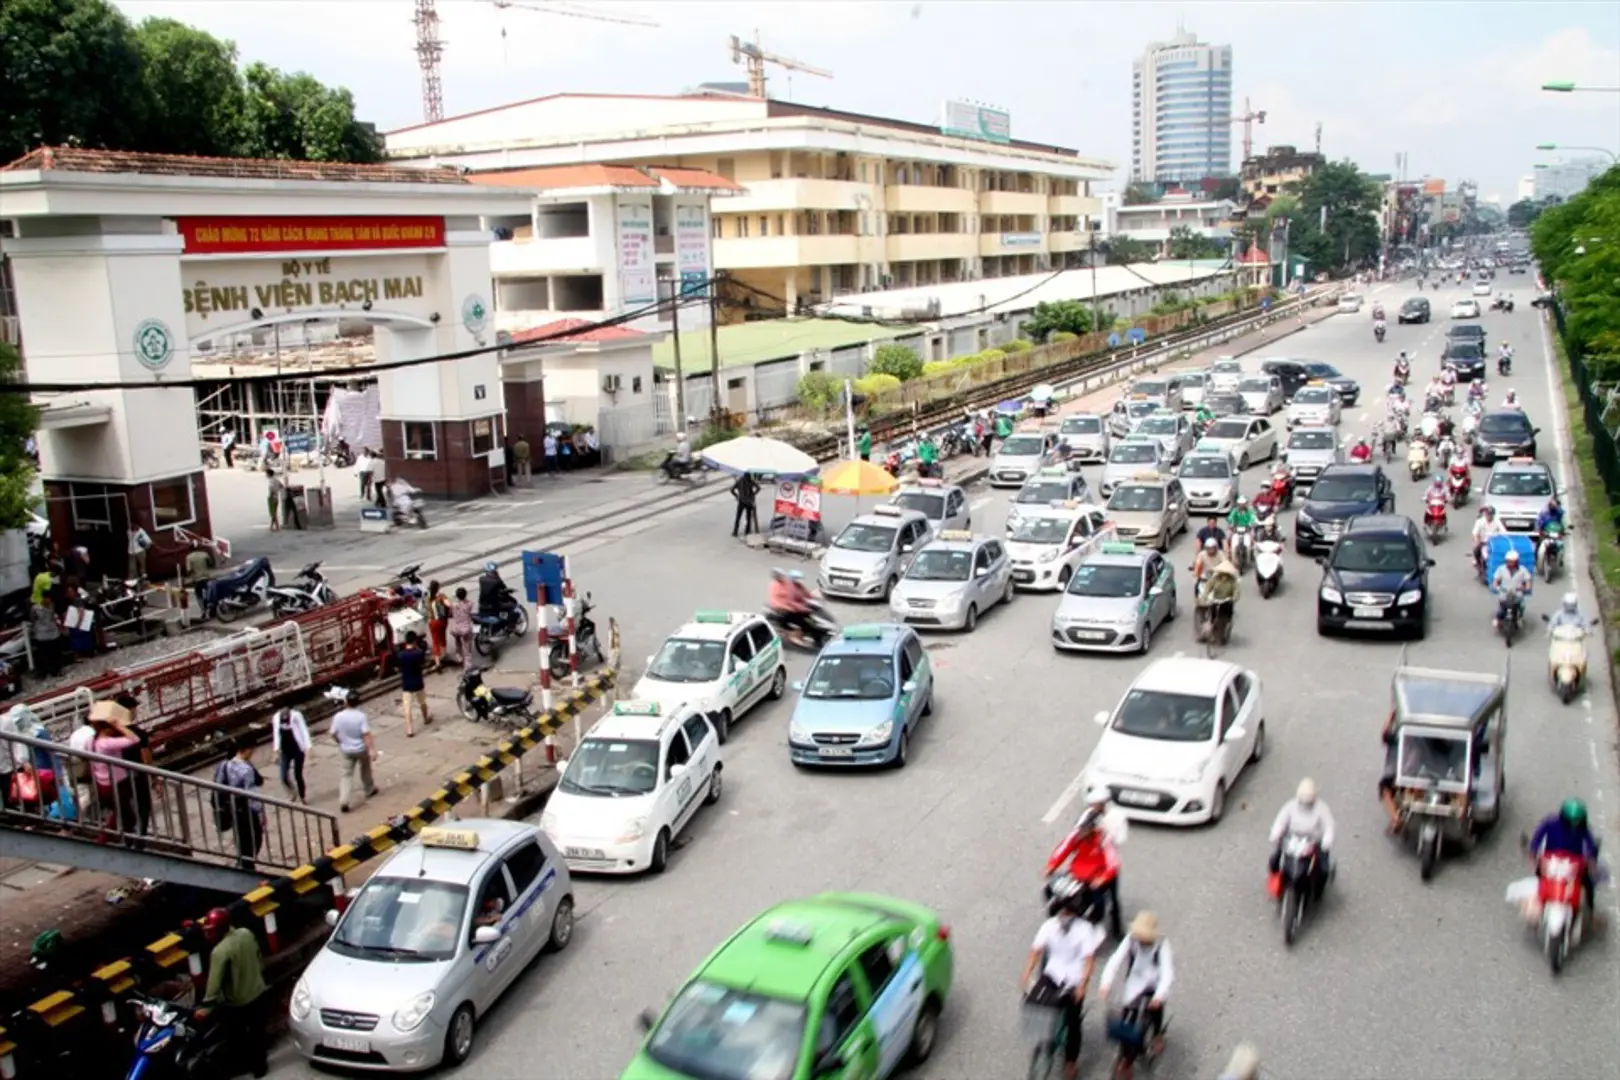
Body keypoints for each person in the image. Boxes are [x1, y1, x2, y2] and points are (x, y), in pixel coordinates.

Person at [1020, 894, 1106, 1080]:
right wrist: (1027, 973)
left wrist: (1083, 984)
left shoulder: (1084, 930)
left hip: (1074, 979)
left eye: (1067, 912)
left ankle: (1071, 1061)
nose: (1064, 915)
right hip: (1053, 974)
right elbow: (1036, 951)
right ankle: (1042, 1040)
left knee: (1073, 1020)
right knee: (1034, 1000)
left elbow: (1089, 960)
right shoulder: (1049, 926)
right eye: (1062, 911)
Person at [199, 907, 269, 1079]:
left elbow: (213, 984)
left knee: (236, 1037)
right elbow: (259, 957)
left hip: (237, 1002)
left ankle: (242, 1066)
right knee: (258, 1033)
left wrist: (205, 1007)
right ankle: (260, 1067)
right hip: (258, 991)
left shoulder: (220, 951)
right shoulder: (245, 933)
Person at [1044, 794, 1126, 939]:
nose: (1081, 832)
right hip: (1078, 873)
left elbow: (1113, 862)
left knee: (1106, 900)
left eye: (1085, 829)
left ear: (1093, 829)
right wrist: (1051, 865)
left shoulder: (1104, 840)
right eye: (1080, 829)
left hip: (1100, 874)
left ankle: (1115, 929)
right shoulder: (1076, 836)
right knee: (1051, 889)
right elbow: (1063, 849)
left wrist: (1103, 878)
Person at [1098, 912, 1174, 1060]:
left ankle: (1157, 1034)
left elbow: (1167, 973)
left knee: (1155, 1009)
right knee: (1127, 1019)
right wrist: (1105, 983)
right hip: (1135, 982)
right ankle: (1126, 1056)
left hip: (1155, 983)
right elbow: (1115, 960)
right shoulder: (1131, 940)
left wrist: (1159, 996)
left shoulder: (1162, 945)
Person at [1528, 798, 1601, 918]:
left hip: (1574, 862)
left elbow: (1590, 843)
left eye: (1577, 821)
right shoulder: (1550, 822)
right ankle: (1537, 908)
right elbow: (1537, 837)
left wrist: (1591, 856)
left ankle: (1591, 911)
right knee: (1539, 878)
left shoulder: (1583, 828)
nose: (1574, 824)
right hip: (1551, 860)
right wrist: (1533, 851)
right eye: (1571, 821)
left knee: (1588, 883)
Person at [1268, 778, 1336, 896]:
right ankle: (1277, 882)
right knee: (1274, 860)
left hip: (1313, 843)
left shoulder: (1321, 809)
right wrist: (1275, 834)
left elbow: (1329, 826)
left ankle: (1318, 891)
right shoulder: (1290, 806)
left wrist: (1326, 841)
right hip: (1291, 840)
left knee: (1323, 869)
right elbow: (1280, 821)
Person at [216, 739, 265, 870]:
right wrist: (260, 812)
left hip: (233, 808)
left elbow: (219, 787)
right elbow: (252, 792)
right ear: (246, 750)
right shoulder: (246, 769)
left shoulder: (224, 765)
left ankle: (243, 863)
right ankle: (247, 866)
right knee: (255, 839)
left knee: (242, 839)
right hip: (247, 809)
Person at [331, 691, 379, 814]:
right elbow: (366, 734)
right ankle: (369, 789)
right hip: (360, 749)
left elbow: (332, 733)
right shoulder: (361, 716)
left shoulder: (338, 716)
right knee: (365, 770)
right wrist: (372, 750)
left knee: (346, 775)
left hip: (346, 750)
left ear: (346, 702)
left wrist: (340, 742)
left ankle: (344, 800)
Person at [269, 705, 310, 804]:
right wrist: (275, 750)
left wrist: (308, 747)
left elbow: (303, 730)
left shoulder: (296, 716)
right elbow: (276, 734)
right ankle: (292, 792)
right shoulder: (276, 717)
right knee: (283, 776)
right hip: (285, 750)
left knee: (298, 774)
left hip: (297, 748)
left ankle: (302, 795)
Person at [395, 631, 431, 737]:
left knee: (407, 707)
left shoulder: (401, 655)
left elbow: (398, 668)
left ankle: (409, 729)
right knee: (422, 702)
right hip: (418, 682)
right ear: (415, 641)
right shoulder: (419, 653)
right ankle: (425, 718)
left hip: (406, 683)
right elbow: (423, 664)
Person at [1491, 548, 1533, 630]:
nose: (1510, 563)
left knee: (1522, 606)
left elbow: (1528, 580)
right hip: (1504, 594)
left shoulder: (1523, 570)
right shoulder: (1501, 569)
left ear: (1516, 561)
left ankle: (1519, 618)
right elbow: (1496, 580)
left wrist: (1526, 587)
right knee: (1502, 609)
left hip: (1517, 594)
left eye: (1512, 561)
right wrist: (1497, 587)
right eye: (1508, 561)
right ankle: (1497, 618)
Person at [767, 569, 813, 637]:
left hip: (795, 607)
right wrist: (788, 607)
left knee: (810, 618)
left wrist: (812, 597)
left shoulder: (789, 583)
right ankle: (797, 637)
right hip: (785, 610)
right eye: (781, 576)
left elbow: (804, 593)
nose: (783, 577)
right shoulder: (775, 586)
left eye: (783, 576)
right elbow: (775, 601)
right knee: (803, 623)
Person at [425, 581, 450, 670]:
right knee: (443, 637)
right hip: (442, 621)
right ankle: (444, 654)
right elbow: (448, 604)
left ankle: (437, 662)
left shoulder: (428, 597)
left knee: (435, 641)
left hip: (433, 622)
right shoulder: (441, 596)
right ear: (438, 588)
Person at [1472, 505, 1506, 569]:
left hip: (1494, 542)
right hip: (1482, 542)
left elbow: (1503, 532)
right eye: (1488, 514)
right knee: (1476, 550)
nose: (1489, 516)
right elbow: (1475, 533)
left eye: (1491, 514)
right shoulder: (1480, 521)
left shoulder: (1497, 522)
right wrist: (1477, 541)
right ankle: (1478, 563)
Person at [449, 586, 476, 665]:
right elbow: (472, 614)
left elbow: (450, 614)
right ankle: (468, 667)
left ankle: (459, 655)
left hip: (455, 628)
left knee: (457, 641)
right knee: (467, 651)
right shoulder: (469, 604)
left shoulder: (453, 605)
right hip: (465, 629)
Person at [731, 471, 761, 538]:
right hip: (749, 502)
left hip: (741, 501)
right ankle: (747, 531)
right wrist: (753, 494)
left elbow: (732, 490)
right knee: (748, 517)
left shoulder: (739, 481)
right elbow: (759, 488)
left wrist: (736, 495)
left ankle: (735, 532)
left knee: (738, 517)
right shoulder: (750, 481)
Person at [127, 516, 152, 582]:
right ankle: (132, 580)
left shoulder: (140, 531)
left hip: (140, 550)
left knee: (142, 567)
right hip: (131, 551)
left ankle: (144, 579)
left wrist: (146, 545)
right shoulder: (129, 531)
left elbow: (148, 540)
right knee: (132, 568)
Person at [264, 464, 283, 532]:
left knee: (273, 513)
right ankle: (273, 526)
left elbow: (271, 489)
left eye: (266, 474)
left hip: (272, 497)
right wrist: (277, 490)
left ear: (269, 474)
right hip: (276, 497)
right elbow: (281, 486)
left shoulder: (271, 481)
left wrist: (272, 495)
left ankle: (276, 527)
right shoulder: (276, 480)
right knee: (274, 512)